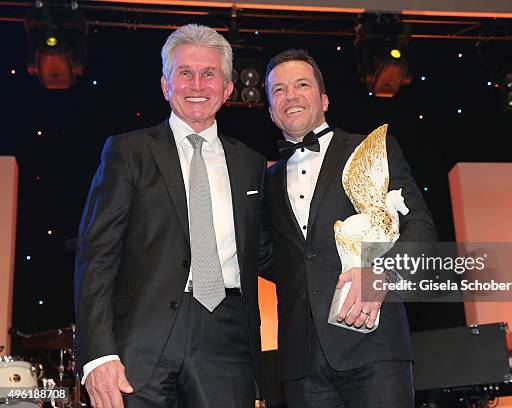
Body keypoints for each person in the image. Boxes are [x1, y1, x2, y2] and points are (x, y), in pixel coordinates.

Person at [74, 24, 270, 408]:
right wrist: (97, 354)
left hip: (226, 336)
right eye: (185, 73)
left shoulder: (252, 164)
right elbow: (97, 255)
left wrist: (352, 265)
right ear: (166, 85)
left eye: (209, 74)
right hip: (141, 337)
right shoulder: (127, 152)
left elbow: (267, 252)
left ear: (228, 88)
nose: (197, 84)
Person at [261, 49, 437, 407]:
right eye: (278, 90)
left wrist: (381, 274)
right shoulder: (265, 179)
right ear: (270, 110)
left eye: (301, 85)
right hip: (301, 362)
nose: (290, 95)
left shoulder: (371, 149)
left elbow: (420, 227)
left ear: (324, 99)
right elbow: (271, 256)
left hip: (374, 347)